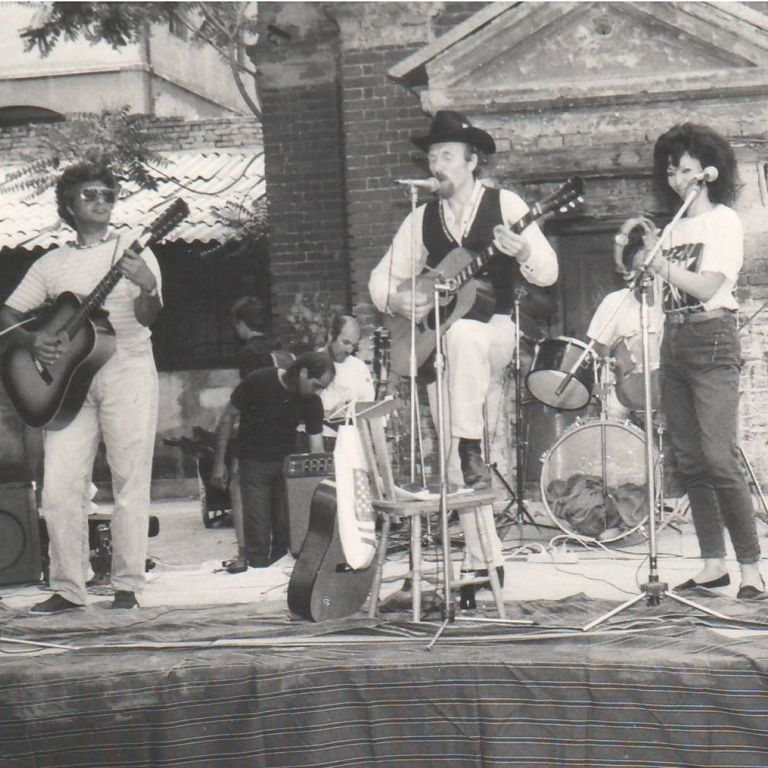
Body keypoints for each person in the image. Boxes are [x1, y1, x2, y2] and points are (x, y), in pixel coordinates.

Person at [369, 110, 558, 597]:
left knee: (466, 337)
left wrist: (522, 252)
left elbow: (548, 272)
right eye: (433, 157)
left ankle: (470, 441)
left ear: (473, 162)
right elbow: (380, 278)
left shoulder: (505, 203)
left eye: (447, 156)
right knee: (455, 460)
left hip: (493, 331)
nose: (437, 166)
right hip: (440, 344)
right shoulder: (421, 218)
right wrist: (397, 301)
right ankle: (484, 564)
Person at [0, 161, 162, 613]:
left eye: (108, 194)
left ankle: (127, 585)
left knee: (129, 479)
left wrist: (147, 287)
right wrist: (32, 341)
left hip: (127, 368)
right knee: (58, 488)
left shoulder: (135, 251)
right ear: (69, 204)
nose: (101, 201)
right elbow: (7, 315)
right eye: (90, 194)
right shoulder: (52, 263)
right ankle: (69, 587)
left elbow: (148, 316)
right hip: (69, 382)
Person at [648, 122, 763, 598]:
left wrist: (659, 264)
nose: (677, 180)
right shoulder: (672, 228)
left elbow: (709, 285)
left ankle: (751, 568)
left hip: (712, 338)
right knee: (690, 458)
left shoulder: (723, 221)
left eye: (686, 170)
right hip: (673, 339)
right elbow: (663, 293)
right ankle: (713, 564)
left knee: (719, 456)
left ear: (709, 172)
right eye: (671, 171)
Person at [229, 351, 334, 568]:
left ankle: (276, 572)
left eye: (322, 388)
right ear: (303, 373)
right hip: (254, 463)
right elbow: (228, 417)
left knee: (286, 530)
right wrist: (222, 463)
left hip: (286, 467)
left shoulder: (312, 401)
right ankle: (256, 568)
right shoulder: (259, 380)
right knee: (258, 532)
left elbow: (317, 448)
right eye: (316, 385)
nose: (317, 392)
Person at [211, 296, 289, 574]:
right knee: (277, 498)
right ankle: (278, 552)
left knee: (239, 487)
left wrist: (233, 451)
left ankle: (245, 552)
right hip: (282, 434)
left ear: (241, 324)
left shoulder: (249, 354)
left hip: (256, 433)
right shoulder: (280, 350)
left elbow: (248, 397)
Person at [587, 232, 665, 421]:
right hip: (622, 383)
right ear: (630, 274)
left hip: (664, 384)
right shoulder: (614, 301)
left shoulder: (670, 302)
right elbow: (597, 344)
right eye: (640, 270)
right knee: (613, 416)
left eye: (651, 270)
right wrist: (618, 360)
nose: (646, 276)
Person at [319, 314, 375, 444]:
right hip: (322, 437)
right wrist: (330, 413)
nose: (349, 350)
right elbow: (301, 411)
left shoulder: (359, 367)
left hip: (354, 438)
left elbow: (368, 408)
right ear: (331, 336)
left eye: (353, 345)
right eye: (346, 342)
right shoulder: (312, 364)